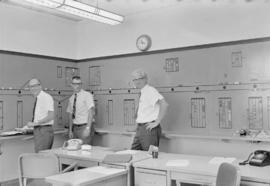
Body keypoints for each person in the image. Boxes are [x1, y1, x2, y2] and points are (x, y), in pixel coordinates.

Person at [131, 69, 169, 151]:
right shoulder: (143, 92)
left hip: (149, 129)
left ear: (145, 79)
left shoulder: (150, 90)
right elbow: (144, 112)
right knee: (133, 153)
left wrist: (157, 122)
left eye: (139, 78)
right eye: (134, 79)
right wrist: (137, 126)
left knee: (150, 156)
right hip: (140, 129)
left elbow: (164, 104)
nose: (137, 81)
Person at [27, 78, 54, 153]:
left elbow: (51, 116)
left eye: (35, 86)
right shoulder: (39, 98)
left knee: (41, 156)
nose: (32, 88)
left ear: (40, 86)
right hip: (38, 130)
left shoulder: (46, 97)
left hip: (44, 130)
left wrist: (35, 123)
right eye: (31, 87)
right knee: (39, 155)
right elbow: (40, 116)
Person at [67, 76, 95, 144]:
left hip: (84, 126)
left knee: (85, 151)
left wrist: (88, 128)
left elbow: (91, 112)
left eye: (79, 84)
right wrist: (70, 130)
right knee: (76, 151)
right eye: (75, 84)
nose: (77, 86)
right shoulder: (71, 98)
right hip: (75, 128)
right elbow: (70, 115)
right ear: (71, 85)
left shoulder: (87, 95)